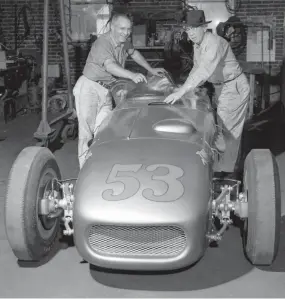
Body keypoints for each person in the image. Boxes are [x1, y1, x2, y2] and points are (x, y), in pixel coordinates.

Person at [73, 13, 166, 169]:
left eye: (129, 29)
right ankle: (84, 170)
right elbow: (109, 66)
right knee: (86, 132)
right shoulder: (102, 43)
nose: (126, 32)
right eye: (122, 28)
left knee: (105, 130)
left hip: (106, 89)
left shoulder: (124, 42)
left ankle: (100, 166)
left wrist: (151, 69)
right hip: (89, 87)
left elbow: (134, 53)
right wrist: (132, 75)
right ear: (112, 27)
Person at [164, 10, 250, 177]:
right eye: (188, 30)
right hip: (221, 87)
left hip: (233, 86)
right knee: (222, 128)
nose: (191, 33)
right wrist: (186, 87)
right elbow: (196, 68)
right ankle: (221, 166)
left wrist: (182, 91)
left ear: (204, 27)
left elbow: (204, 70)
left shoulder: (214, 43)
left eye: (195, 28)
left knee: (228, 132)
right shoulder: (198, 45)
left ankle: (225, 174)